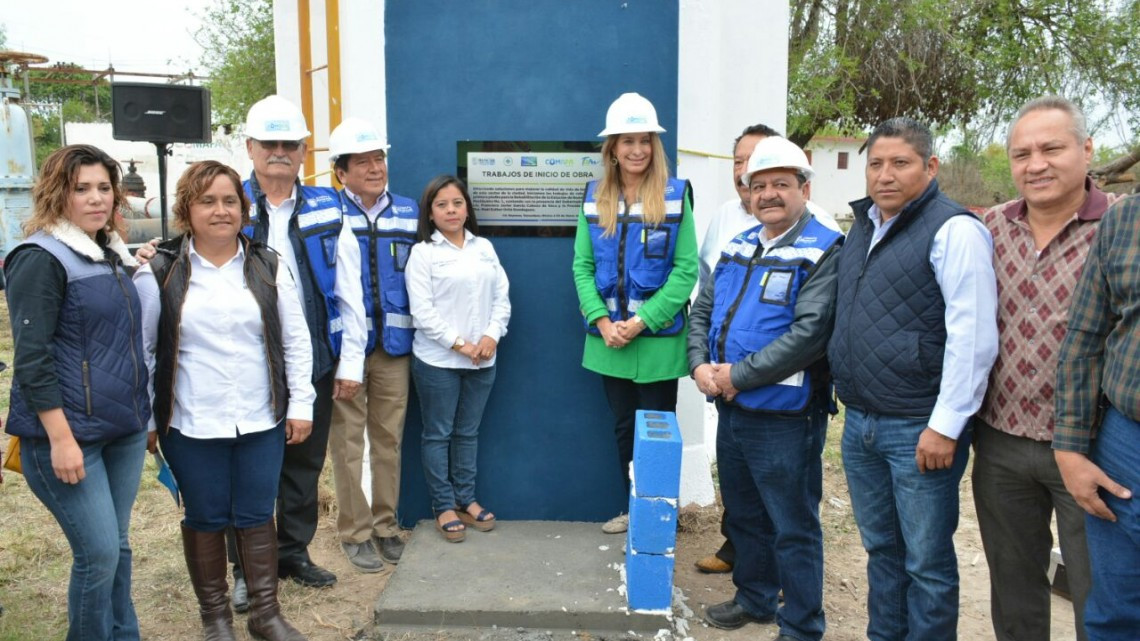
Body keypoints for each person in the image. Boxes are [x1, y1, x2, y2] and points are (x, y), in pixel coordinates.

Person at [827, 117, 999, 641]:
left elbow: (973, 336)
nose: (885, 175)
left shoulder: (955, 230)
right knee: (882, 551)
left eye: (900, 163)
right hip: (862, 425)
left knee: (926, 564)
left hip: (918, 429)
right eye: (875, 164)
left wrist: (946, 426)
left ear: (930, 166)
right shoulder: (863, 227)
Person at [136, 161, 316, 641]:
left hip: (260, 418)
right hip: (190, 422)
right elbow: (146, 351)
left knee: (258, 515)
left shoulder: (267, 263)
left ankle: (265, 615)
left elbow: (295, 340)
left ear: (244, 207)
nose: (221, 211)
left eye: (230, 200)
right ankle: (215, 619)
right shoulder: (160, 269)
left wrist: (302, 404)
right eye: (207, 201)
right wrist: (150, 420)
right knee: (205, 517)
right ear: (186, 210)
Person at [975, 96, 1119, 641]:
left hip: (1093, 447)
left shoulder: (1122, 228)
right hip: (1002, 442)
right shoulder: (990, 228)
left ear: (1086, 150)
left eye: (1051, 148)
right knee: (1013, 588)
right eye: (1021, 153)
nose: (1035, 164)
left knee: (1099, 591)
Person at [688, 137, 842, 639]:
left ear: (804, 187)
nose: (769, 194)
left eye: (781, 184)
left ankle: (801, 624)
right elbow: (703, 311)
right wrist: (698, 367)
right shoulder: (738, 244)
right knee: (746, 516)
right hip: (732, 411)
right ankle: (755, 599)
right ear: (748, 192)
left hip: (785, 416)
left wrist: (736, 375)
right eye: (760, 185)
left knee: (793, 526)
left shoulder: (824, 248)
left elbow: (809, 334)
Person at [4, 144, 151, 640]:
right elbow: (32, 359)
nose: (95, 198)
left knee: (120, 546)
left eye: (104, 188)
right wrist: (61, 439)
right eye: (81, 188)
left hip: (121, 430)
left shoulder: (108, 253)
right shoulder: (39, 257)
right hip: (66, 439)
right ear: (57, 193)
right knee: (99, 554)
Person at [239, 95, 367, 591]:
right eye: (269, 143)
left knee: (303, 467)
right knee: (249, 473)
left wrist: (350, 362)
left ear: (303, 152)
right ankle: (247, 569)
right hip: (246, 366)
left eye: (289, 144)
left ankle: (292, 554)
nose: (279, 152)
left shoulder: (329, 207)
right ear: (250, 147)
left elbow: (350, 292)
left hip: (313, 363)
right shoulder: (228, 200)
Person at [571, 92, 698, 534]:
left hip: (659, 343)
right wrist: (603, 322)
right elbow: (582, 267)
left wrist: (643, 321)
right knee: (625, 428)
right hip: (610, 343)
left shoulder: (676, 196)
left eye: (644, 140)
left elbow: (686, 271)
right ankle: (633, 509)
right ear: (612, 148)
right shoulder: (593, 197)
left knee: (659, 430)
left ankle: (660, 514)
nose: (636, 150)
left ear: (654, 145)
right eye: (627, 141)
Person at [327, 118, 418, 570]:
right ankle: (355, 531)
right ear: (340, 171)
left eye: (378, 157)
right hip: (346, 349)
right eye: (362, 161)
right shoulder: (327, 213)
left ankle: (385, 526)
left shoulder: (408, 211)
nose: (374, 167)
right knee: (346, 443)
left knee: (389, 440)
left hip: (393, 348)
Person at [1053, 193, 1140, 641]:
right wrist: (1069, 447)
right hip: (1125, 442)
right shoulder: (1125, 218)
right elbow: (1086, 334)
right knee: (1114, 614)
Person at [405, 175, 510, 542]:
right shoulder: (423, 253)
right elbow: (422, 311)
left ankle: (466, 499)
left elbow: (502, 299)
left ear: (467, 208)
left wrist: (490, 336)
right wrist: (460, 344)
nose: (451, 210)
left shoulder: (484, 248)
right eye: (442, 205)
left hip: (483, 360)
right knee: (438, 434)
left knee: (468, 433)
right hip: (438, 362)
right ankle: (443, 505)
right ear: (430, 214)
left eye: (457, 203)